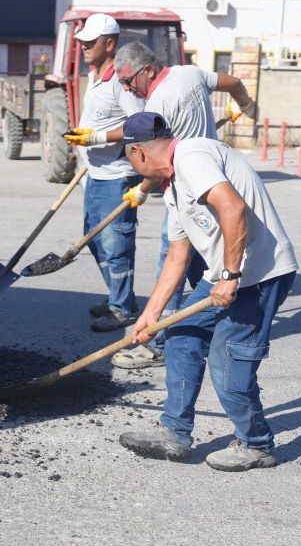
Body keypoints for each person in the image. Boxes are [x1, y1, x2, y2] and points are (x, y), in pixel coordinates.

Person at [113, 111, 298, 472]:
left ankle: (257, 444)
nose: (133, 170)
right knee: (181, 335)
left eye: (129, 161)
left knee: (228, 359)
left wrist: (230, 274)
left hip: (259, 275)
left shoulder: (192, 157)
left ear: (138, 153)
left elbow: (232, 206)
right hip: (222, 276)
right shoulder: (172, 189)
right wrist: (151, 315)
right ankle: (175, 432)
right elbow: (177, 258)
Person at [76, 41, 256, 367]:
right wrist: (244, 105)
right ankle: (227, 323)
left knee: (171, 262)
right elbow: (233, 83)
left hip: (187, 190)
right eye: (121, 83)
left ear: (148, 70)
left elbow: (158, 159)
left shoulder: (157, 103)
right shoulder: (190, 73)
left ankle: (158, 344)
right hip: (213, 181)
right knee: (205, 262)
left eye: (129, 80)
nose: (127, 87)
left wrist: (142, 188)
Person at [60, 14, 144, 332]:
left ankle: (122, 310)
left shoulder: (121, 82)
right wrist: (84, 137)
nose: (83, 47)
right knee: (95, 242)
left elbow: (139, 124)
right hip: (95, 172)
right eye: (81, 42)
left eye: (90, 42)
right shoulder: (95, 77)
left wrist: (96, 138)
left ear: (109, 43)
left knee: (116, 244)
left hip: (118, 176)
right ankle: (118, 297)